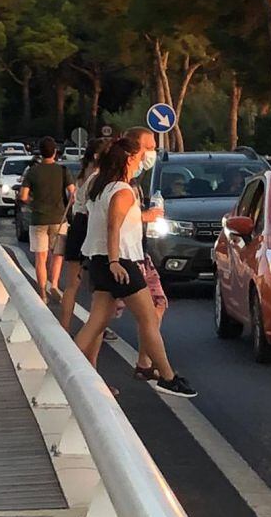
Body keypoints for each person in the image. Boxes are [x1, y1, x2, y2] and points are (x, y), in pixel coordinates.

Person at [73, 137, 196, 398]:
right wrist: (116, 261)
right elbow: (113, 227)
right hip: (120, 263)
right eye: (142, 154)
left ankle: (66, 370)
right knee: (148, 318)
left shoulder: (100, 186)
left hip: (99, 260)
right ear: (129, 158)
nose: (145, 159)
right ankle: (167, 376)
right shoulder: (122, 190)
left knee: (96, 322)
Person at [124, 126, 168, 381]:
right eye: (149, 147)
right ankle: (165, 373)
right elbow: (113, 220)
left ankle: (145, 361)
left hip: (138, 254)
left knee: (156, 305)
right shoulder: (120, 182)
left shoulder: (135, 181)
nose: (152, 153)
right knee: (100, 320)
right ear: (134, 150)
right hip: (124, 259)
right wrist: (146, 216)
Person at [59, 138, 110, 333]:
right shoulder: (98, 176)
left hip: (77, 225)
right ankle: (97, 327)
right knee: (98, 284)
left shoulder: (81, 174)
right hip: (89, 225)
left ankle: (64, 327)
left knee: (72, 284)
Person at [19, 137, 76, 303]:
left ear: (40, 152)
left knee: (40, 257)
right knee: (57, 255)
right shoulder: (63, 171)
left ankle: (42, 293)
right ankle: (55, 285)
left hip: (38, 219)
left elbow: (23, 196)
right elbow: (73, 193)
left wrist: (33, 202)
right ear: (55, 152)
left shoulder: (33, 171)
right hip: (59, 219)